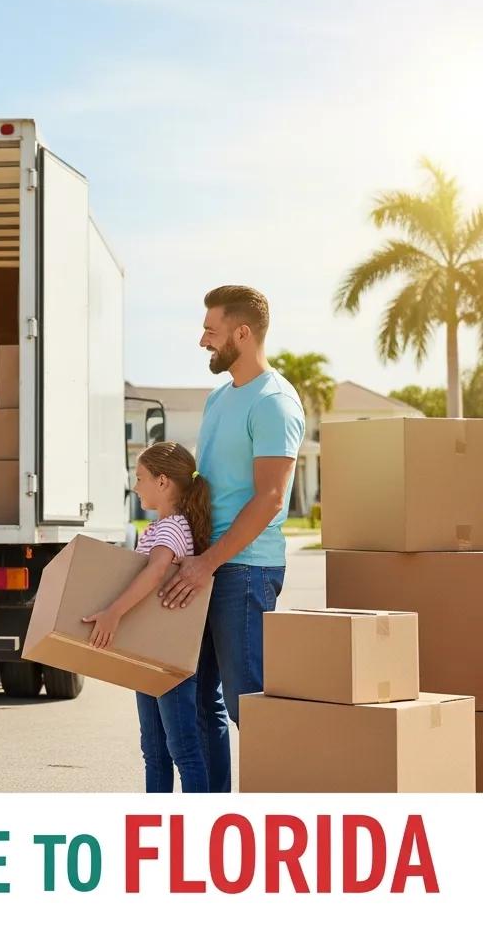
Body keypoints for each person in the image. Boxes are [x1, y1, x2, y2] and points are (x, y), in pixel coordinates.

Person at [160, 285, 305, 792]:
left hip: (244, 569)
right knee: (200, 700)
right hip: (205, 564)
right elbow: (209, 486)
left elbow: (268, 499)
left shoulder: (274, 402)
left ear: (242, 333)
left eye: (211, 330)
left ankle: (279, 820)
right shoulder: (220, 397)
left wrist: (209, 563)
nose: (203, 341)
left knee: (251, 702)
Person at [83, 442, 213, 793]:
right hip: (150, 653)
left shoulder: (172, 528)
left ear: (163, 482)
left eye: (139, 478)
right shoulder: (160, 527)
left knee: (181, 749)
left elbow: (155, 571)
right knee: (154, 750)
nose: (135, 486)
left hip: (165, 653)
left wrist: (113, 613)